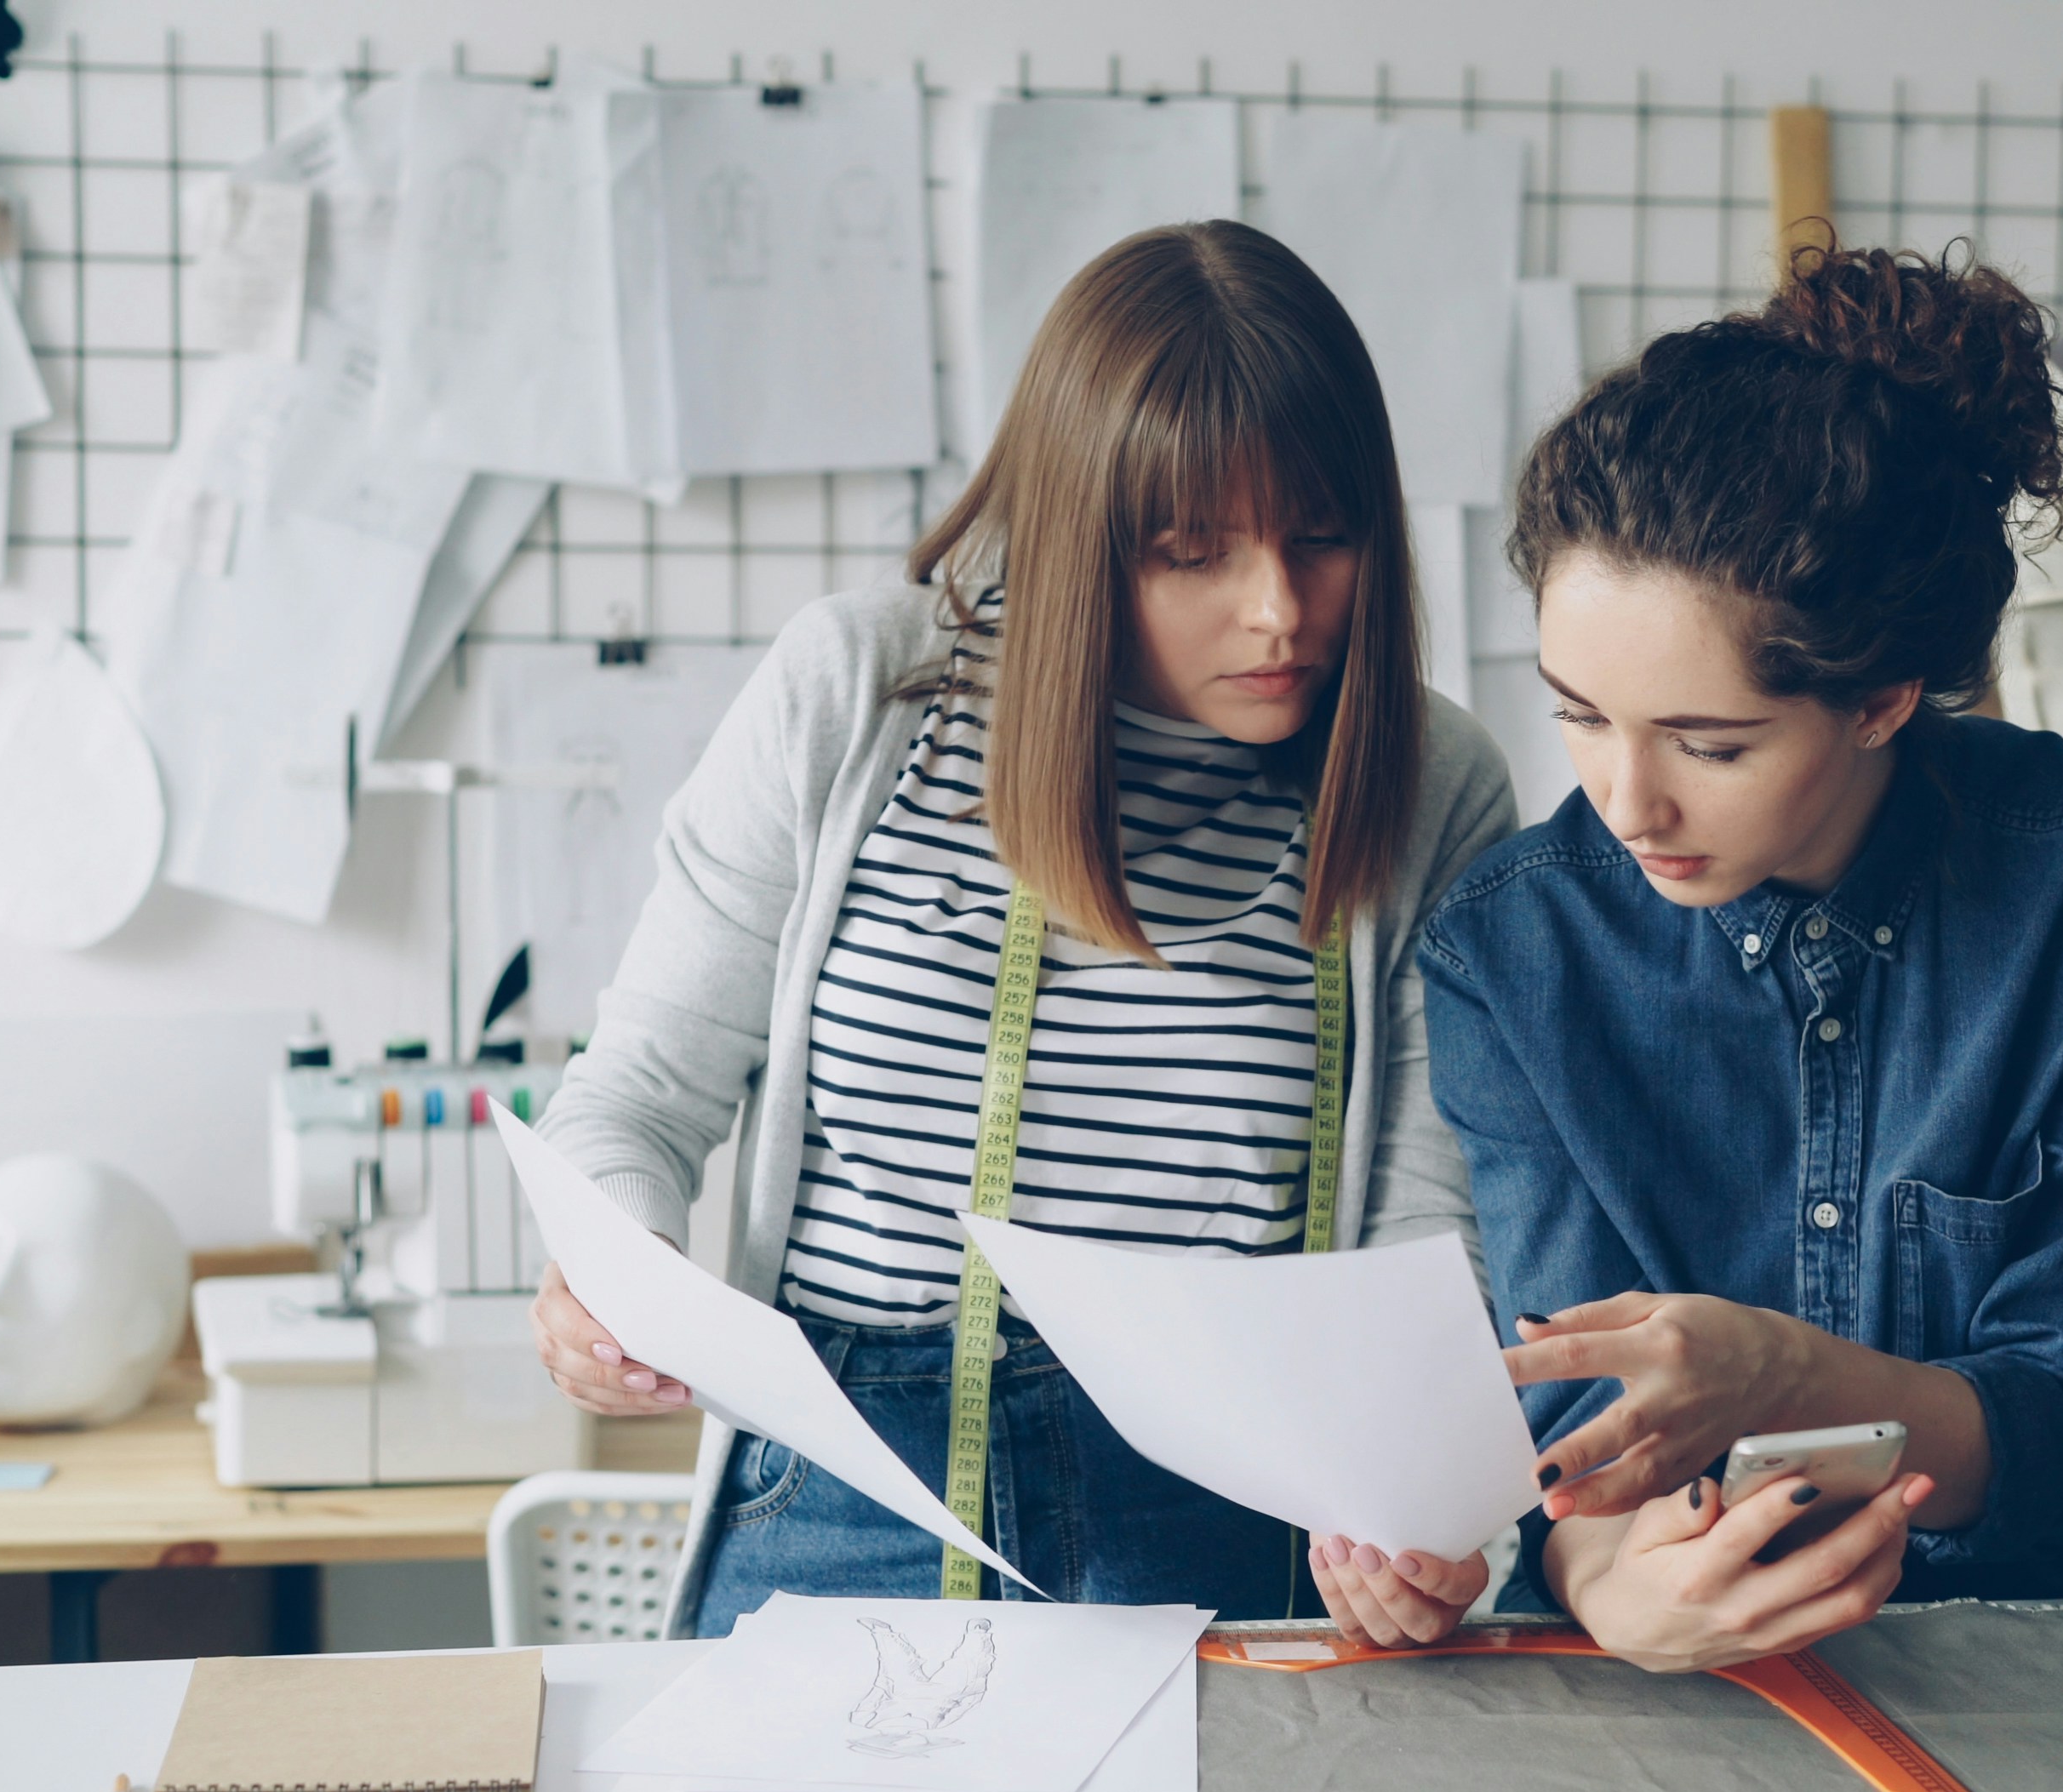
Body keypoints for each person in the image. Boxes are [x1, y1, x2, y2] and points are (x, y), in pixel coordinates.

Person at [528, 220, 1518, 1632]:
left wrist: (1411, 1498)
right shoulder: (858, 701)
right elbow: (633, 1092)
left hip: (1234, 1511)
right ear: (1076, 538)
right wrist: (613, 1273)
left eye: (1325, 535)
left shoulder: (1432, 785)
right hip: (851, 1479)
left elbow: (1430, 1233)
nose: (1279, 609)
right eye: (1193, 551)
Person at [1306, 244, 2063, 1668]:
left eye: (1710, 743)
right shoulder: (1513, 947)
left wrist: (1796, 1377)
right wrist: (1607, 1587)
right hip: (1665, 1675)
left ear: (1880, 699)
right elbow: (1577, 1440)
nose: (1628, 804)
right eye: (1579, 714)